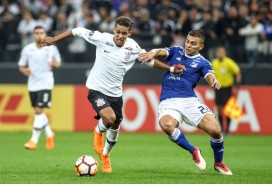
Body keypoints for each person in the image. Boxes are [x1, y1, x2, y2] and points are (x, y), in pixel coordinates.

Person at [40, 16, 185, 173]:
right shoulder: (102, 38)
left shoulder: (133, 47)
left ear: (129, 33)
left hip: (116, 94)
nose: (120, 36)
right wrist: (53, 39)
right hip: (96, 89)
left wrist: (170, 69)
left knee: (115, 127)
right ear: (114, 30)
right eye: (118, 32)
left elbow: (149, 61)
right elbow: (78, 31)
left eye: (124, 33)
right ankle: (97, 131)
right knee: (109, 118)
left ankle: (105, 156)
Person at [139, 30, 233, 175]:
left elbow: (209, 75)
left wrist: (213, 82)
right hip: (169, 100)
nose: (188, 45)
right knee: (167, 125)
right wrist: (153, 53)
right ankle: (194, 151)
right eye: (188, 41)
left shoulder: (203, 62)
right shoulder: (176, 51)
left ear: (201, 46)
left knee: (215, 130)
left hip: (189, 101)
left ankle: (219, 163)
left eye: (193, 43)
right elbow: (161, 51)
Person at [18, 25, 61, 150]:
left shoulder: (51, 48)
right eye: (37, 33)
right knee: (39, 112)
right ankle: (50, 134)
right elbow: (21, 65)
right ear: (33, 35)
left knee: (38, 110)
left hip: (46, 83)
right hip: (32, 84)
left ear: (45, 34)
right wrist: (24, 70)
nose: (39, 35)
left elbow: (58, 63)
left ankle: (33, 140)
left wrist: (53, 64)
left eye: (42, 33)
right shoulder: (27, 49)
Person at [211, 46, 241, 135]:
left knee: (228, 109)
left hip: (227, 88)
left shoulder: (229, 62)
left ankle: (227, 130)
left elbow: (237, 72)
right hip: (218, 88)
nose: (220, 54)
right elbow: (210, 74)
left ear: (225, 53)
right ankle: (222, 129)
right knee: (219, 109)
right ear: (216, 53)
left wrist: (236, 86)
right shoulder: (214, 63)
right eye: (219, 52)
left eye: (222, 52)